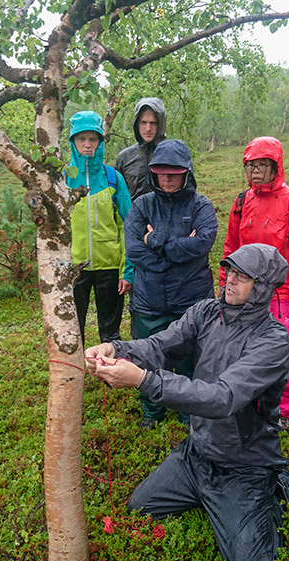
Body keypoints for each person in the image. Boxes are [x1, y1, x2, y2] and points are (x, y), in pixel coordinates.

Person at [84, 243, 289, 561]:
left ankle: (276, 492)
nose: (230, 281)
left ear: (263, 287)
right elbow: (161, 346)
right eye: (229, 272)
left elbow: (221, 398)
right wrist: (116, 349)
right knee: (139, 509)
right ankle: (205, 496)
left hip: (243, 465)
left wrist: (144, 381)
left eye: (242, 276)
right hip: (196, 453)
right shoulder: (207, 312)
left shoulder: (272, 342)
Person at [220, 136, 289, 427]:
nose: (256, 171)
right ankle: (247, 400)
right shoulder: (240, 202)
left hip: (279, 292)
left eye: (263, 165)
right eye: (251, 165)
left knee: (275, 349)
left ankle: (282, 408)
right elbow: (231, 246)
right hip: (244, 289)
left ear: (277, 167)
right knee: (240, 345)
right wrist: (225, 283)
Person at [124, 139, 218, 429]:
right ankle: (152, 413)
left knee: (192, 358)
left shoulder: (201, 205)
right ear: (153, 173)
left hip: (192, 301)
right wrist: (178, 251)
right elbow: (133, 250)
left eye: (173, 172)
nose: (166, 177)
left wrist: (155, 240)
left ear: (186, 172)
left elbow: (202, 246)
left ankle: (188, 412)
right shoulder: (141, 206)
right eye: (161, 171)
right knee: (148, 357)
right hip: (148, 300)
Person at [66, 110, 133, 344]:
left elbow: (129, 226)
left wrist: (127, 271)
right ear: (73, 141)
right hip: (73, 269)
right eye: (81, 138)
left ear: (100, 141)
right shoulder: (62, 178)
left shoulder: (113, 177)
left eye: (93, 139)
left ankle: (111, 376)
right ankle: (74, 377)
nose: (87, 144)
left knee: (111, 331)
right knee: (72, 329)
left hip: (110, 267)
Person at [115, 97, 167, 201]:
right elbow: (117, 196)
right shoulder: (125, 157)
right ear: (136, 123)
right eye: (143, 122)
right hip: (133, 215)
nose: (148, 129)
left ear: (160, 124)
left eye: (153, 123)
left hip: (166, 216)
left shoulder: (171, 154)